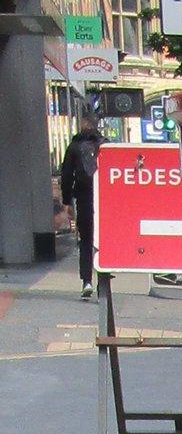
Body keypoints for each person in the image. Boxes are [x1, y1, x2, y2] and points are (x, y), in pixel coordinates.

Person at [60, 114, 102, 298]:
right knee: (101, 240)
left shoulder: (74, 147)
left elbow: (67, 176)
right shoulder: (106, 146)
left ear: (81, 125)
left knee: (85, 239)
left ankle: (87, 281)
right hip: (103, 200)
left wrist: (67, 201)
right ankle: (104, 280)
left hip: (83, 198)